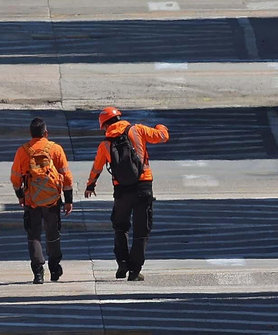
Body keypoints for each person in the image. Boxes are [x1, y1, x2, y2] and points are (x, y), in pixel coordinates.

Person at [84, 106, 169, 281]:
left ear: (105, 126)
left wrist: (90, 185)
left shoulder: (105, 144)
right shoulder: (137, 130)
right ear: (119, 118)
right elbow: (162, 136)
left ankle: (122, 264)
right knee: (141, 230)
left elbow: (97, 167)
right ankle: (135, 271)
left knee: (120, 227)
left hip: (121, 190)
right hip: (143, 186)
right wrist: (162, 126)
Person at [10, 116, 75, 284]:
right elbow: (66, 176)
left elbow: (15, 178)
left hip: (31, 200)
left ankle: (38, 273)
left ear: (30, 133)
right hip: (52, 200)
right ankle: (54, 268)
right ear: (46, 133)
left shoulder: (22, 151)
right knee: (53, 233)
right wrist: (68, 200)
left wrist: (20, 197)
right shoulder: (56, 149)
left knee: (34, 236)